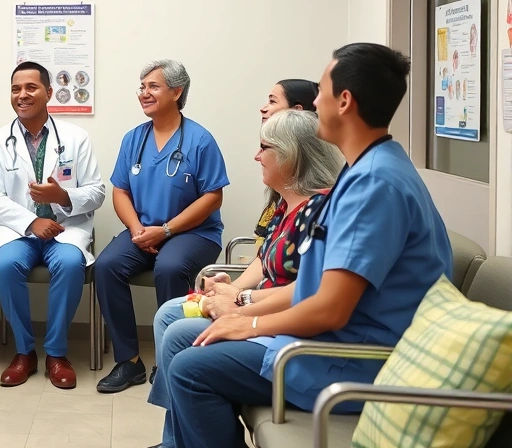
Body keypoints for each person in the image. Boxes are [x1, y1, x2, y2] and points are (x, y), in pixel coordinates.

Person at [159, 43, 454, 448]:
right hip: (331, 341)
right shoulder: (365, 170)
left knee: (192, 366)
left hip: (354, 359)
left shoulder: (375, 186)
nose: (313, 101)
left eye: (322, 91)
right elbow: (316, 286)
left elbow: (330, 307)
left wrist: (250, 321)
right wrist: (243, 306)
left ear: (345, 101)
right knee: (188, 340)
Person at [147, 109, 343, 436]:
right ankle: (177, 440)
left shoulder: (321, 212)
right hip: (271, 316)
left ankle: (179, 438)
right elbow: (267, 262)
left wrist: (240, 303)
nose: (256, 156)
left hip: (294, 333)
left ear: (291, 156)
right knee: (171, 318)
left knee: (182, 345)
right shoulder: (284, 204)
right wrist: (231, 289)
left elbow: (307, 291)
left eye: (265, 148)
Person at [94, 59, 230, 393]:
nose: (144, 93)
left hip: (193, 233)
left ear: (177, 91)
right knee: (106, 266)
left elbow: (213, 197)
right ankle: (129, 361)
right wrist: (138, 228)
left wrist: (166, 230)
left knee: (168, 268)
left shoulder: (200, 139)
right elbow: (121, 190)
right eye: (142, 87)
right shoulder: (134, 139)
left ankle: (171, 360)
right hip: (143, 229)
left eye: (153, 86)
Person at [0, 62, 106, 389]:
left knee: (69, 263)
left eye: (31, 87)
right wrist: (32, 221)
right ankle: (24, 352)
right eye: (15, 89)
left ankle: (55, 353)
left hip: (67, 228)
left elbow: (97, 192)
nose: (22, 95)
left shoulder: (76, 138)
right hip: (18, 231)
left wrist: (62, 196)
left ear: (49, 93)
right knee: (6, 266)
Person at [251, 79, 320, 253]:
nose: (263, 108)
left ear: (297, 112)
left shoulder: (314, 204)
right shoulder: (282, 204)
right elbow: (263, 253)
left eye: (273, 101)